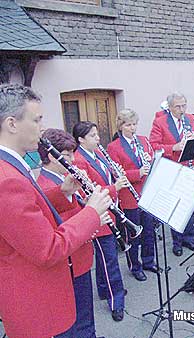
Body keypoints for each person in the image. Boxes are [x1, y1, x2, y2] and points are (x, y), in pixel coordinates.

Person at [0, 84, 111, 338]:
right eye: (36, 119)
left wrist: (62, 191)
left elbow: (26, 207)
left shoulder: (10, 165)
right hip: (38, 305)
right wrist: (91, 213)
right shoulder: (6, 177)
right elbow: (47, 248)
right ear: (12, 124)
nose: (41, 127)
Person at [37, 128, 104, 338]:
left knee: (86, 312)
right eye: (67, 155)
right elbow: (63, 226)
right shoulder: (44, 184)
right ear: (51, 156)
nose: (73, 159)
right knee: (76, 318)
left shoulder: (65, 178)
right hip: (69, 263)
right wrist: (93, 218)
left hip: (81, 258)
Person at [73, 121, 129, 322]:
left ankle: (105, 289)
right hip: (98, 214)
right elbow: (89, 193)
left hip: (109, 210)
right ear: (81, 139)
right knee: (109, 258)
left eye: (97, 135)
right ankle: (117, 301)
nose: (98, 139)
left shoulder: (96, 154)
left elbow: (103, 178)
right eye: (93, 136)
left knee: (105, 257)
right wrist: (115, 187)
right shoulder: (79, 160)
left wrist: (116, 174)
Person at [107, 109, 157, 282]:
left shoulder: (143, 141)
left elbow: (151, 158)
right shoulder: (113, 147)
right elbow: (116, 173)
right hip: (129, 196)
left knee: (149, 230)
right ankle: (135, 266)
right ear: (121, 126)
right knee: (133, 234)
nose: (133, 128)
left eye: (134, 124)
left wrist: (150, 162)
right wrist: (138, 172)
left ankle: (149, 261)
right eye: (128, 125)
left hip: (146, 192)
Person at [149, 92, 194, 256]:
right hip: (172, 168)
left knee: (189, 206)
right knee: (176, 207)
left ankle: (189, 239)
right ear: (170, 107)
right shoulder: (160, 122)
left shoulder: (191, 119)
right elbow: (153, 145)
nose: (182, 110)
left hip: (189, 167)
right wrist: (174, 147)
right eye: (178, 106)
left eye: (184, 105)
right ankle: (177, 242)